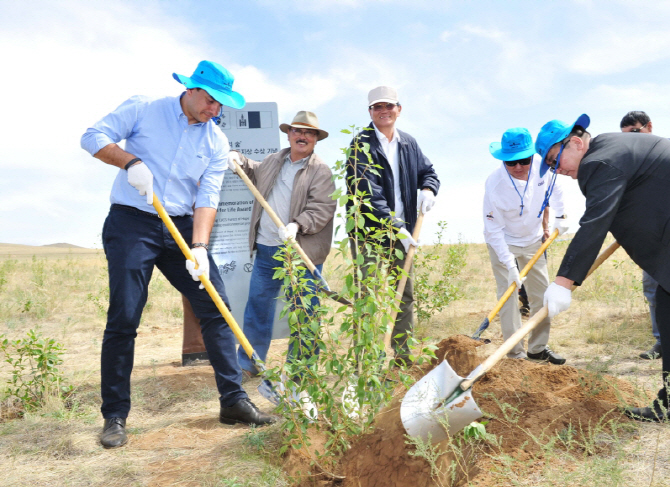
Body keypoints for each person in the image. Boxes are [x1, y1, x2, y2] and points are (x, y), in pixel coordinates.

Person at [80, 60, 276, 449]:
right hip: (132, 222)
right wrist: (129, 162)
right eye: (212, 101)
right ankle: (115, 415)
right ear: (192, 89)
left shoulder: (215, 141)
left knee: (216, 308)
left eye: (222, 105)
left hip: (183, 227)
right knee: (125, 316)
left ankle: (233, 401)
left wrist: (200, 247)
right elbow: (92, 136)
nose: (216, 110)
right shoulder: (145, 108)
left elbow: (207, 196)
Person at [538, 113, 670, 422]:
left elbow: (595, 222)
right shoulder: (611, 150)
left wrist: (563, 281)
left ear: (574, 142)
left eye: (556, 162)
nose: (560, 172)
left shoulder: (599, 161)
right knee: (666, 311)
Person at [230, 111, 336, 414]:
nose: (302, 136)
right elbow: (255, 171)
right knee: (258, 308)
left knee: (305, 312)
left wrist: (297, 225)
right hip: (266, 250)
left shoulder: (321, 171)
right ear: (288, 133)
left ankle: (299, 371)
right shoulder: (275, 160)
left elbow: (322, 207)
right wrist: (239, 159)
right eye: (297, 131)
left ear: (316, 139)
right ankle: (249, 363)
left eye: (309, 133)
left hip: (300, 253)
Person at [346, 86, 440, 365]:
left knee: (404, 294)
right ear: (370, 112)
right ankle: (366, 360)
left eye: (389, 106)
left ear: (399, 109)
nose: (383, 111)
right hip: (370, 233)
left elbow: (428, 171)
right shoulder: (360, 144)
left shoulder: (409, 143)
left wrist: (428, 188)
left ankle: (402, 357)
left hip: (403, 233)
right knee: (368, 295)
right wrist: (394, 227)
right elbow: (366, 192)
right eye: (377, 107)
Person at [483, 128, 569, 363]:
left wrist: (561, 217)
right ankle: (515, 354)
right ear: (503, 160)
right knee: (509, 297)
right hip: (504, 242)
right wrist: (510, 264)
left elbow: (557, 190)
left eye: (524, 160)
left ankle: (538, 348)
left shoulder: (544, 167)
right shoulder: (494, 185)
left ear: (532, 155)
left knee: (542, 297)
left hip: (533, 241)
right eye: (511, 162)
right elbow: (493, 230)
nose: (519, 167)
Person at [620, 111, 662, 360]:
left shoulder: (662, 153)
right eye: (626, 136)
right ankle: (661, 342)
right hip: (651, 240)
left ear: (649, 127)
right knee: (652, 288)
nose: (632, 139)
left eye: (635, 131)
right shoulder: (629, 164)